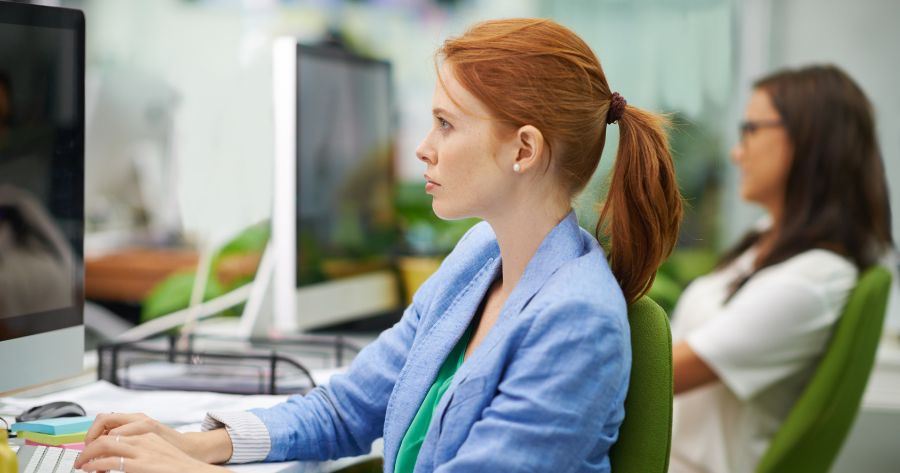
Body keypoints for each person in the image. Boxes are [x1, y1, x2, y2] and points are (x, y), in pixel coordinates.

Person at [75, 18, 682, 473]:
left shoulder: (576, 320)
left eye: (446, 124)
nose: (423, 147)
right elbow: (349, 408)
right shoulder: (480, 257)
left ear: (524, 149)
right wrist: (198, 445)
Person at [668, 65, 894, 473]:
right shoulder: (766, 239)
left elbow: (659, 376)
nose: (737, 153)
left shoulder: (810, 281)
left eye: (750, 130)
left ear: (811, 141)